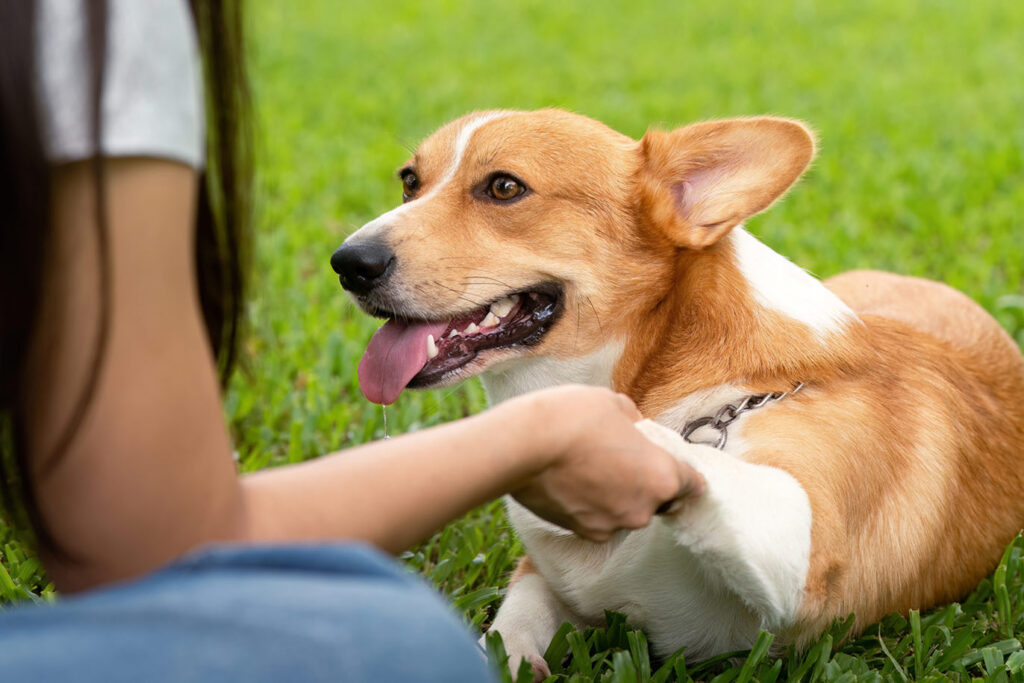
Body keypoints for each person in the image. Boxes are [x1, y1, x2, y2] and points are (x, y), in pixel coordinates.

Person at [0, 1, 704, 680]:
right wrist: (532, 438)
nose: (363, 248)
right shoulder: (102, 20)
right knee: (400, 641)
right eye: (412, 184)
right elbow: (155, 552)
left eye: (501, 189)